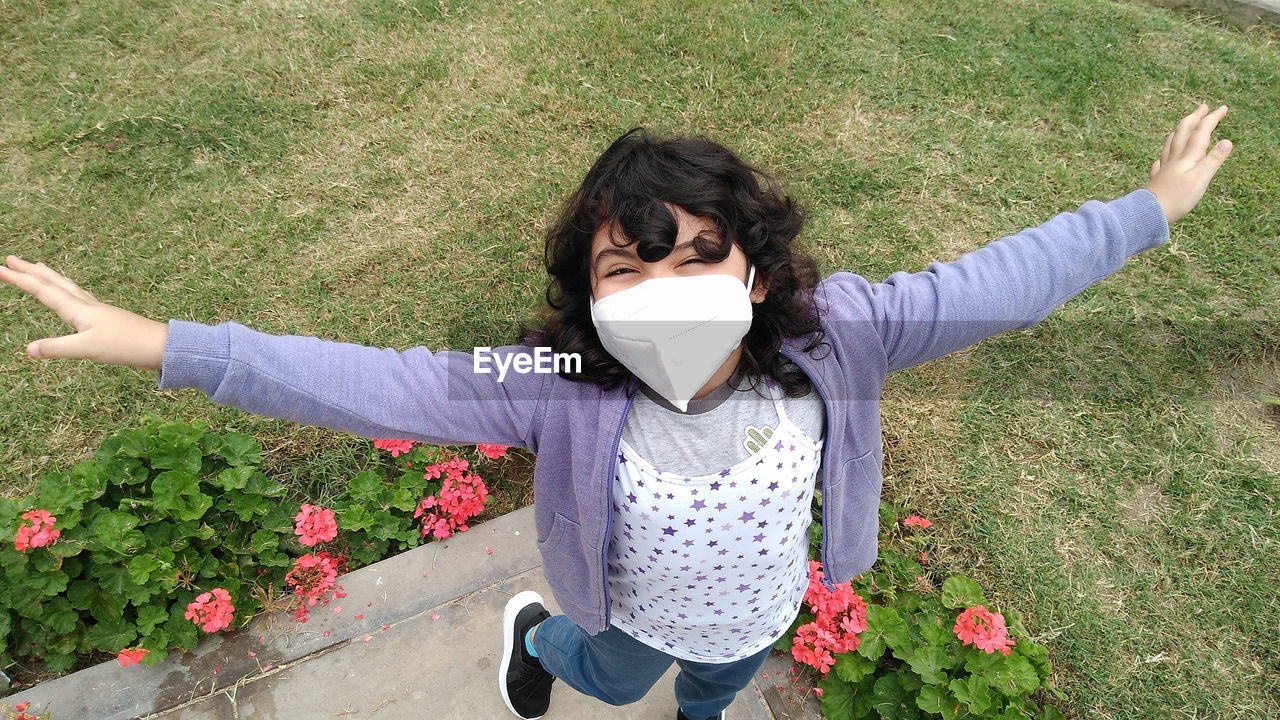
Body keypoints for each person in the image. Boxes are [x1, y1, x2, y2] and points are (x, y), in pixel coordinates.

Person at [0, 104, 1233, 720]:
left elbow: (996, 282)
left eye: (697, 253)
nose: (664, 287)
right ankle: (535, 640)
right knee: (606, 677)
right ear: (587, 301)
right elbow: (367, 376)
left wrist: (1146, 209)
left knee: (714, 690)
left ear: (754, 270)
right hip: (626, 610)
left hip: (756, 610)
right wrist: (167, 344)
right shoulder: (560, 389)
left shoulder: (832, 337)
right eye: (624, 267)